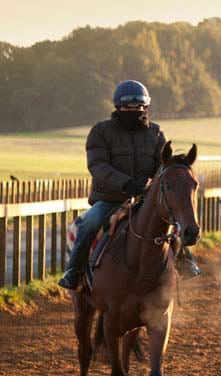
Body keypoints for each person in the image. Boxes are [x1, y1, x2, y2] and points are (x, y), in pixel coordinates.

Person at [58, 80, 169, 290]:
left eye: (139, 107)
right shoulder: (101, 131)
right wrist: (126, 184)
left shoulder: (155, 133)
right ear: (118, 107)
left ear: (145, 107)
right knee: (90, 223)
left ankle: (183, 263)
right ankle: (74, 272)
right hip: (110, 199)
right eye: (129, 108)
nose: (135, 111)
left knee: (172, 221)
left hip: (146, 199)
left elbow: (163, 165)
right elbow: (97, 166)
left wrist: (149, 184)